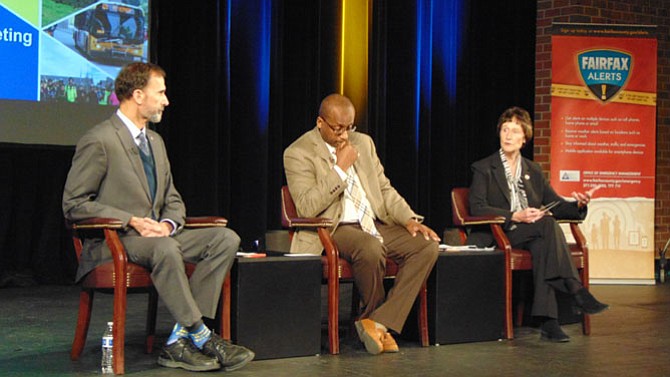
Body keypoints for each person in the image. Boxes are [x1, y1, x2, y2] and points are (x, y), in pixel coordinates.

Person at [62, 62, 254, 371]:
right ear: (138, 95)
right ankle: (202, 336)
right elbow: (74, 204)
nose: (166, 100)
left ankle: (178, 340)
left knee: (225, 238)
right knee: (166, 248)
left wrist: (167, 223)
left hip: (158, 238)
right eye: (160, 93)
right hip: (115, 241)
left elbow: (172, 199)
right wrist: (131, 220)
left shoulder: (155, 142)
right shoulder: (100, 140)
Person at [283, 93, 440, 355]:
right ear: (320, 122)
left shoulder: (364, 144)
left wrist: (408, 219)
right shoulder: (297, 152)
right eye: (337, 128)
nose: (344, 135)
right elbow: (307, 207)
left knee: (426, 245)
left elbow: (384, 189)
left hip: (373, 221)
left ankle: (378, 321)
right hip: (333, 228)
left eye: (349, 127)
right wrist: (340, 170)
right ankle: (376, 323)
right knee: (369, 247)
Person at [467, 106, 609, 342]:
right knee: (547, 226)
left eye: (515, 131)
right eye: (505, 130)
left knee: (545, 238)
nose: (508, 136)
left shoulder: (532, 169)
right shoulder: (484, 168)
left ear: (524, 138)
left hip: (531, 234)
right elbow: (477, 207)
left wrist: (579, 205)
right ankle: (575, 288)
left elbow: (556, 204)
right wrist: (515, 215)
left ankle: (548, 322)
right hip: (501, 232)